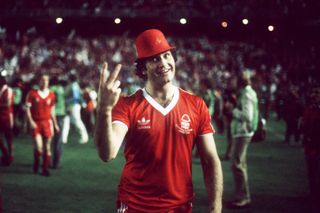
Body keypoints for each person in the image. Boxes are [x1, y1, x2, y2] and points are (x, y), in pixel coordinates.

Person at [94, 29, 223, 213]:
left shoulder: (196, 105)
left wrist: (216, 207)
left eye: (166, 55)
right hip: (135, 206)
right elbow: (108, 153)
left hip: (180, 207)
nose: (163, 63)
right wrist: (104, 110)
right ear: (143, 68)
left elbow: (210, 160)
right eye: (154, 59)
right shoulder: (128, 105)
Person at [228, 71, 259, 208]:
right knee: (240, 164)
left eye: (234, 80)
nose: (232, 83)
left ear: (240, 81)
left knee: (237, 165)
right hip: (242, 132)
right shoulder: (247, 92)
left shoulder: (247, 94)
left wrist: (232, 110)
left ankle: (243, 197)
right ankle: (242, 196)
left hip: (243, 132)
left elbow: (247, 116)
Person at [26, 74, 59, 176]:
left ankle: (45, 169)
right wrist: (30, 121)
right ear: (39, 81)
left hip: (47, 123)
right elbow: (27, 109)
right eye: (42, 80)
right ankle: (36, 163)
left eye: (46, 80)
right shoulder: (32, 93)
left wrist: (55, 124)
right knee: (39, 147)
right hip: (36, 123)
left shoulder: (52, 95)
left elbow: (52, 111)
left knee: (47, 147)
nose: (44, 82)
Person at [300, 86, 320, 212]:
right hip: (310, 146)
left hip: (317, 146)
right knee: (311, 173)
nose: (315, 95)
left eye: (317, 93)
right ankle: (313, 195)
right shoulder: (309, 109)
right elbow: (304, 125)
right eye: (314, 92)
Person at [62, 73, 88, 144]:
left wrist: (66, 101)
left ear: (70, 79)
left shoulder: (73, 86)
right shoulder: (74, 85)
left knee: (77, 121)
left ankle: (84, 137)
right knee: (66, 121)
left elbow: (75, 97)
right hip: (71, 105)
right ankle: (63, 139)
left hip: (73, 105)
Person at [50, 76, 66, 169]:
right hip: (60, 115)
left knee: (48, 140)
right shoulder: (61, 89)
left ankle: (49, 160)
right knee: (58, 140)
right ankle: (56, 162)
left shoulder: (51, 89)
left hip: (51, 114)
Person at [0, 75, 14, 166]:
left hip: (7, 117)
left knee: (8, 137)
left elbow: (8, 104)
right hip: (0, 116)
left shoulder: (8, 90)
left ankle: (10, 155)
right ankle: (5, 153)